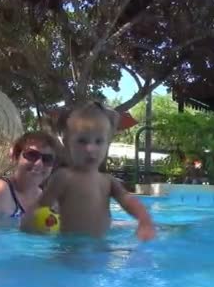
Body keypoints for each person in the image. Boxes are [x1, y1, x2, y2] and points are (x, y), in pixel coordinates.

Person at [22, 101, 156, 241]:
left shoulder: (108, 181)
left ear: (108, 144)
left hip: (102, 251)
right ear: (67, 143)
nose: (90, 149)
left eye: (98, 142)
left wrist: (144, 220)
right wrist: (27, 223)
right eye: (82, 141)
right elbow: (41, 204)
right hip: (69, 251)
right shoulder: (63, 178)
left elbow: (128, 200)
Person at [0, 131, 60, 223]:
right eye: (32, 155)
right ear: (16, 157)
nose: (39, 164)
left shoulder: (48, 202)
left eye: (47, 159)